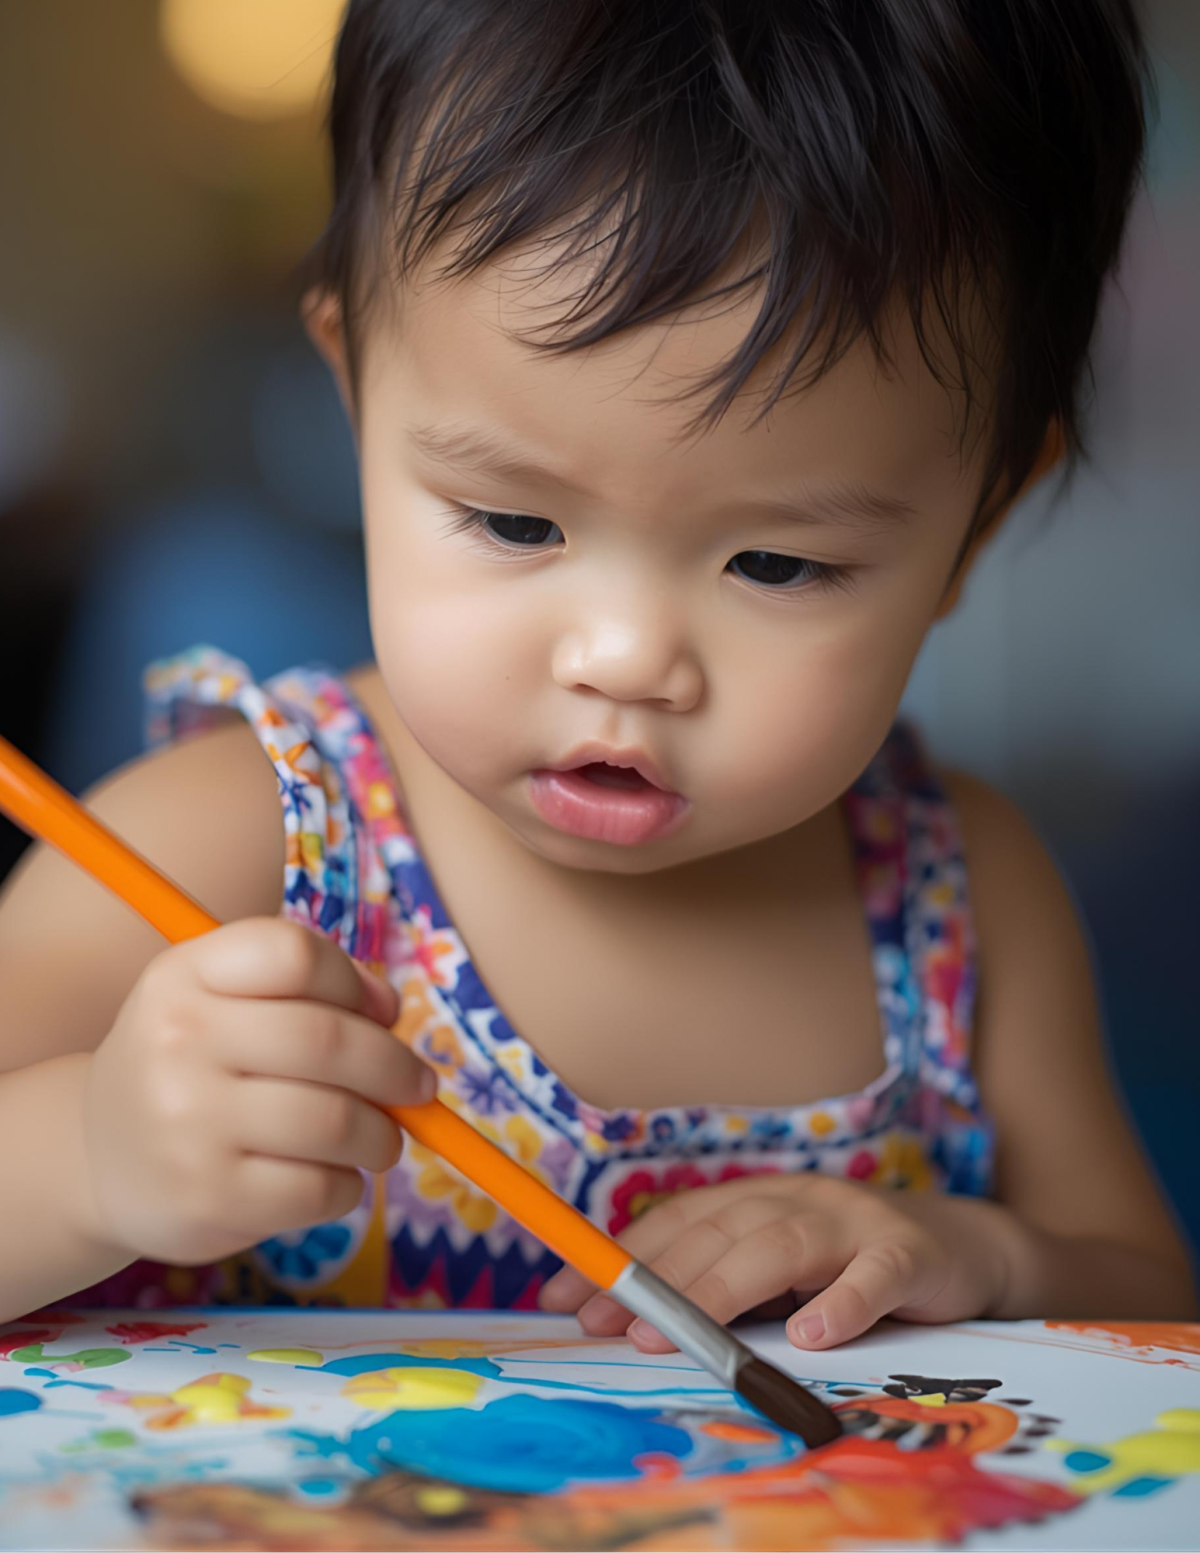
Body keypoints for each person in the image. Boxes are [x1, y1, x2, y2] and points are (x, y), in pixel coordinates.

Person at [0, 0, 1193, 1344]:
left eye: (777, 565)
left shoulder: (963, 900)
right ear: (357, 395)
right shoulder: (227, 853)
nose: (625, 661)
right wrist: (88, 1166)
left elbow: (1150, 1306)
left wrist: (976, 1253)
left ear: (979, 519)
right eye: (516, 523)